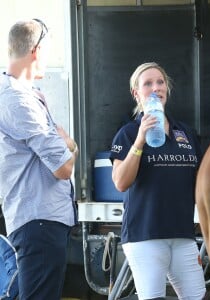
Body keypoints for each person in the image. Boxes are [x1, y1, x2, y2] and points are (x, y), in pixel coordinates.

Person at [110, 62, 207, 300]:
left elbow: (200, 182)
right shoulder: (128, 133)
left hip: (182, 234)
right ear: (136, 93)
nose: (156, 88)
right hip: (145, 235)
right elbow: (120, 182)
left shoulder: (185, 132)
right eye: (148, 83)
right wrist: (140, 141)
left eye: (161, 82)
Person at [0, 19, 78, 300]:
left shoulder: (25, 95)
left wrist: (66, 146)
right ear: (36, 50)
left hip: (42, 222)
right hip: (39, 224)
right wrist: (70, 144)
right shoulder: (17, 99)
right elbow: (64, 166)